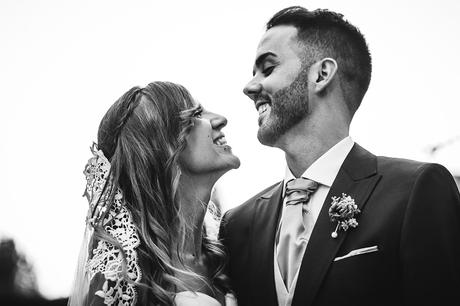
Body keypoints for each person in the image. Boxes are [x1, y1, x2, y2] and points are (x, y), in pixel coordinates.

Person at [219, 6, 460, 306]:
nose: (250, 87)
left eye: (267, 69)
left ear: (321, 74)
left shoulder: (415, 191)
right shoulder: (238, 225)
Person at [69, 81, 240, 306]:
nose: (220, 119)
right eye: (196, 114)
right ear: (165, 148)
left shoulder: (231, 252)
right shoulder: (123, 276)